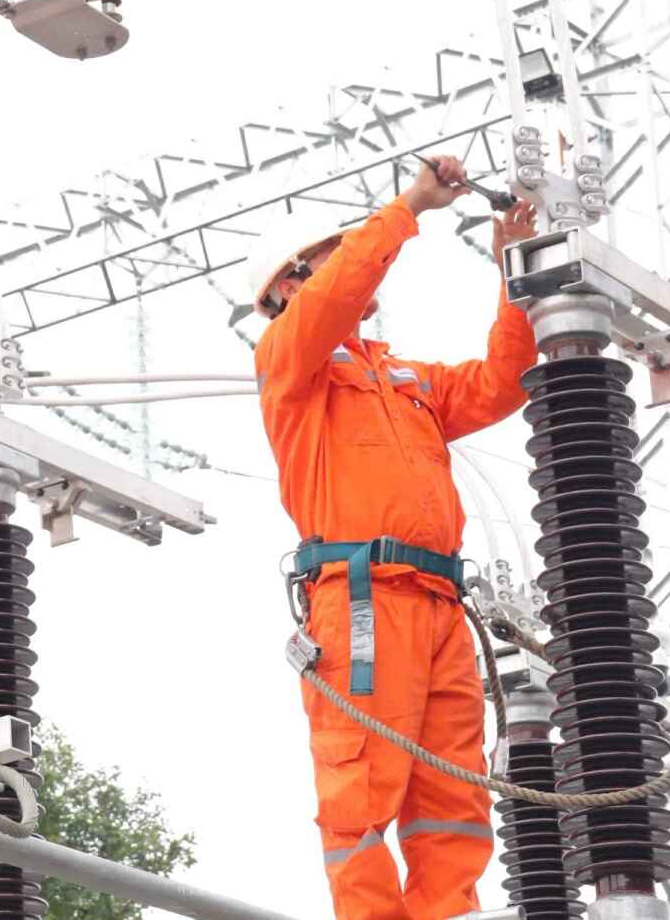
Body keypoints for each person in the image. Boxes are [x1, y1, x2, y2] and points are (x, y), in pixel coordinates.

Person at [248, 155, 539, 919]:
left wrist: (513, 268)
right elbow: (336, 296)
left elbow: (502, 382)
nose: (349, 264)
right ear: (286, 285)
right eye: (326, 255)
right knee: (361, 793)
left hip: (439, 605)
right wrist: (407, 208)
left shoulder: (402, 378)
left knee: (453, 801)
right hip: (363, 605)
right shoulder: (289, 360)